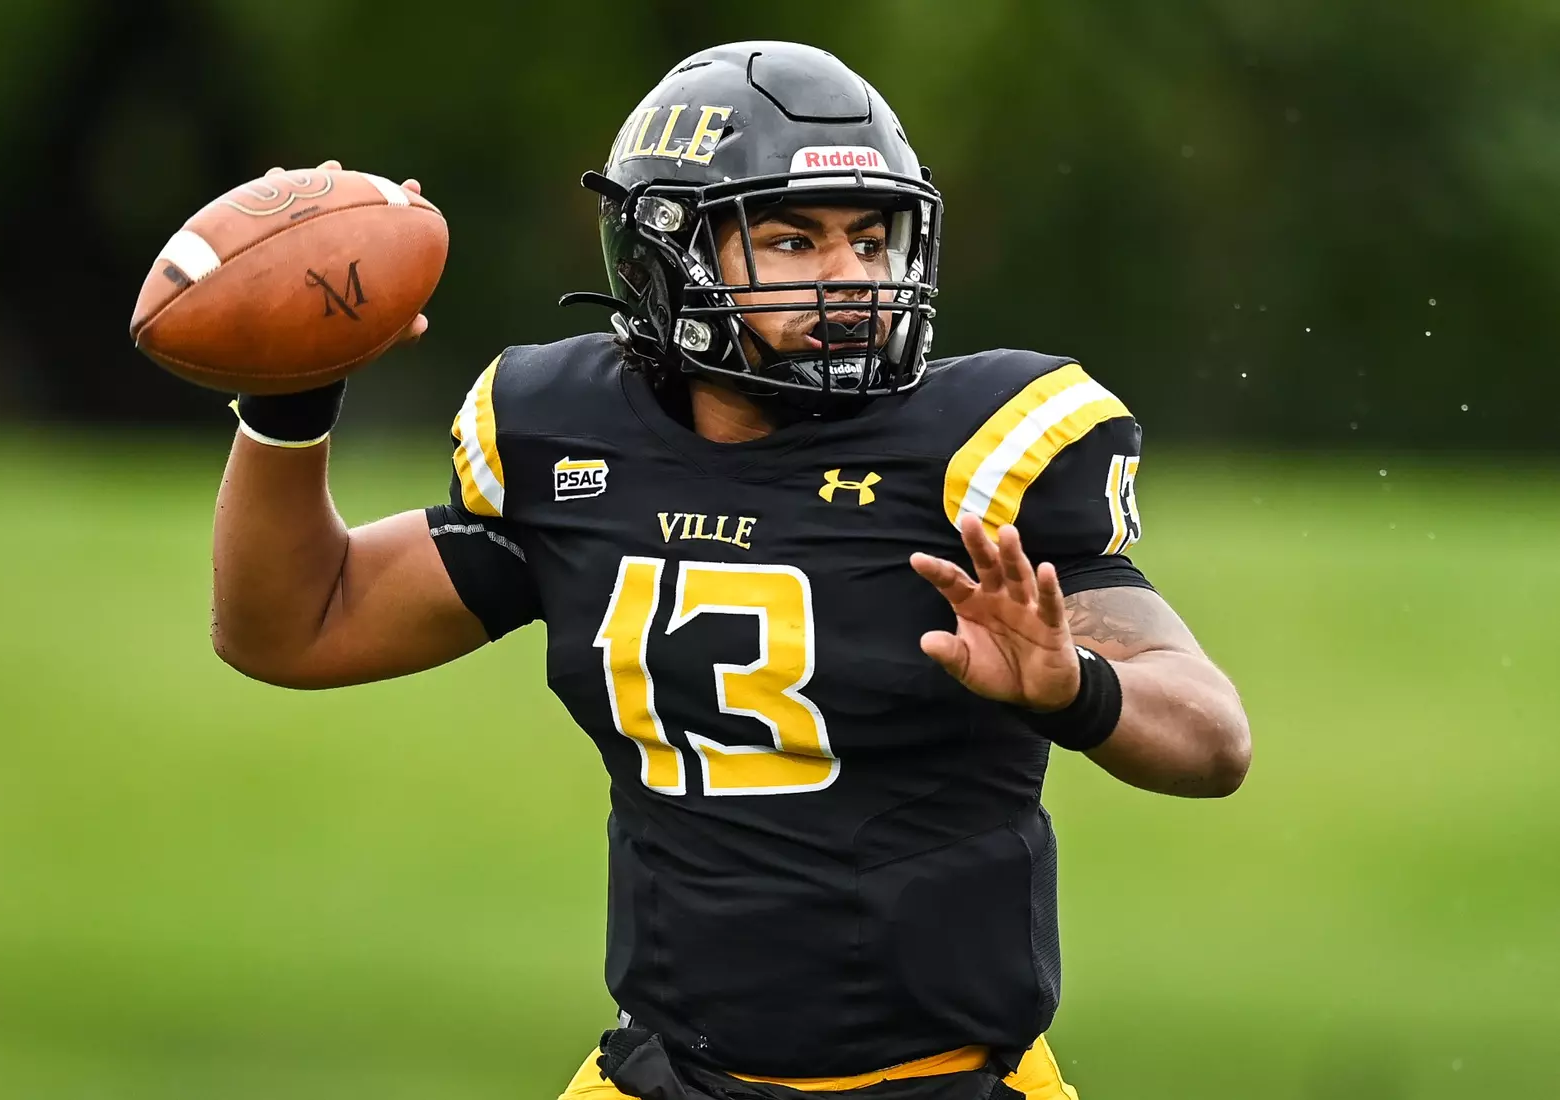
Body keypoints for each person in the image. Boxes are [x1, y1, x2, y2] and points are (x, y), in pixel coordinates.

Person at [209, 41, 1251, 1100]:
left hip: (948, 1080)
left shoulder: (983, 451)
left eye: (869, 236)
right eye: (792, 240)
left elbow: (1211, 737)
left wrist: (1078, 687)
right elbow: (295, 624)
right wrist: (288, 404)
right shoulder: (567, 436)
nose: (849, 276)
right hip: (663, 1074)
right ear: (669, 254)